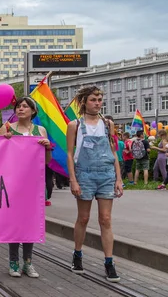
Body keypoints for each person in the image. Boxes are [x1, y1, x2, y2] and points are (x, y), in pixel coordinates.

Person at [66, 85, 122, 283]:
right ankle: (78, 254)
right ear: (84, 102)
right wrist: (73, 179)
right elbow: (70, 154)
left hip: (106, 174)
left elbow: (114, 151)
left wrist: (119, 178)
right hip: (85, 175)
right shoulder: (74, 125)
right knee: (83, 218)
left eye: (99, 100)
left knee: (105, 219)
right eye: (93, 100)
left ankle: (109, 262)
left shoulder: (108, 124)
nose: (97, 103)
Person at [0, 97, 51, 279]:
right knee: (15, 223)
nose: (21, 109)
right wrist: (3, 140)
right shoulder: (8, 127)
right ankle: (13, 262)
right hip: (13, 183)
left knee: (31, 223)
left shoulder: (40, 130)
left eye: (25, 106)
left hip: (34, 184)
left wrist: (47, 148)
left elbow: (46, 162)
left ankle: (28, 262)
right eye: (18, 106)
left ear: (33, 111)